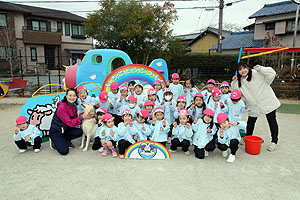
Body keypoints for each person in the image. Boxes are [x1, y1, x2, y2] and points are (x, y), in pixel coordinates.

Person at [231, 62, 280, 151]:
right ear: (238, 71)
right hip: (253, 104)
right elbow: (236, 93)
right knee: (251, 121)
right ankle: (247, 138)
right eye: (240, 69)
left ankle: (274, 142)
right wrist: (234, 82)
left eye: (244, 68)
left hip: (267, 101)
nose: (243, 71)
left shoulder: (257, 73)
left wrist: (261, 69)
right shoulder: (240, 80)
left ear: (248, 67)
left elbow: (272, 73)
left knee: (271, 120)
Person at [49, 88, 92, 155]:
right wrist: (82, 117)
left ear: (76, 97)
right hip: (57, 131)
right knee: (64, 151)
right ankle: (55, 141)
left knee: (80, 131)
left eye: (74, 96)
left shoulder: (74, 107)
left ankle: (65, 140)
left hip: (66, 129)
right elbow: (70, 122)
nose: (72, 97)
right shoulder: (62, 107)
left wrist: (85, 117)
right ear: (66, 96)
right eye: (70, 95)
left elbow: (75, 121)